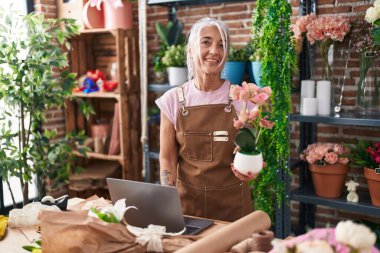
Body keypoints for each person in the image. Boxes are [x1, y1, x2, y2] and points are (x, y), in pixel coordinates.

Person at [155, 17, 261, 222]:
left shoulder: (243, 99)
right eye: (206, 42)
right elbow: (167, 158)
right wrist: (166, 200)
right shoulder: (172, 101)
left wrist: (253, 165)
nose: (214, 50)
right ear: (190, 50)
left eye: (222, 45)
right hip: (187, 208)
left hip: (233, 209)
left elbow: (256, 150)